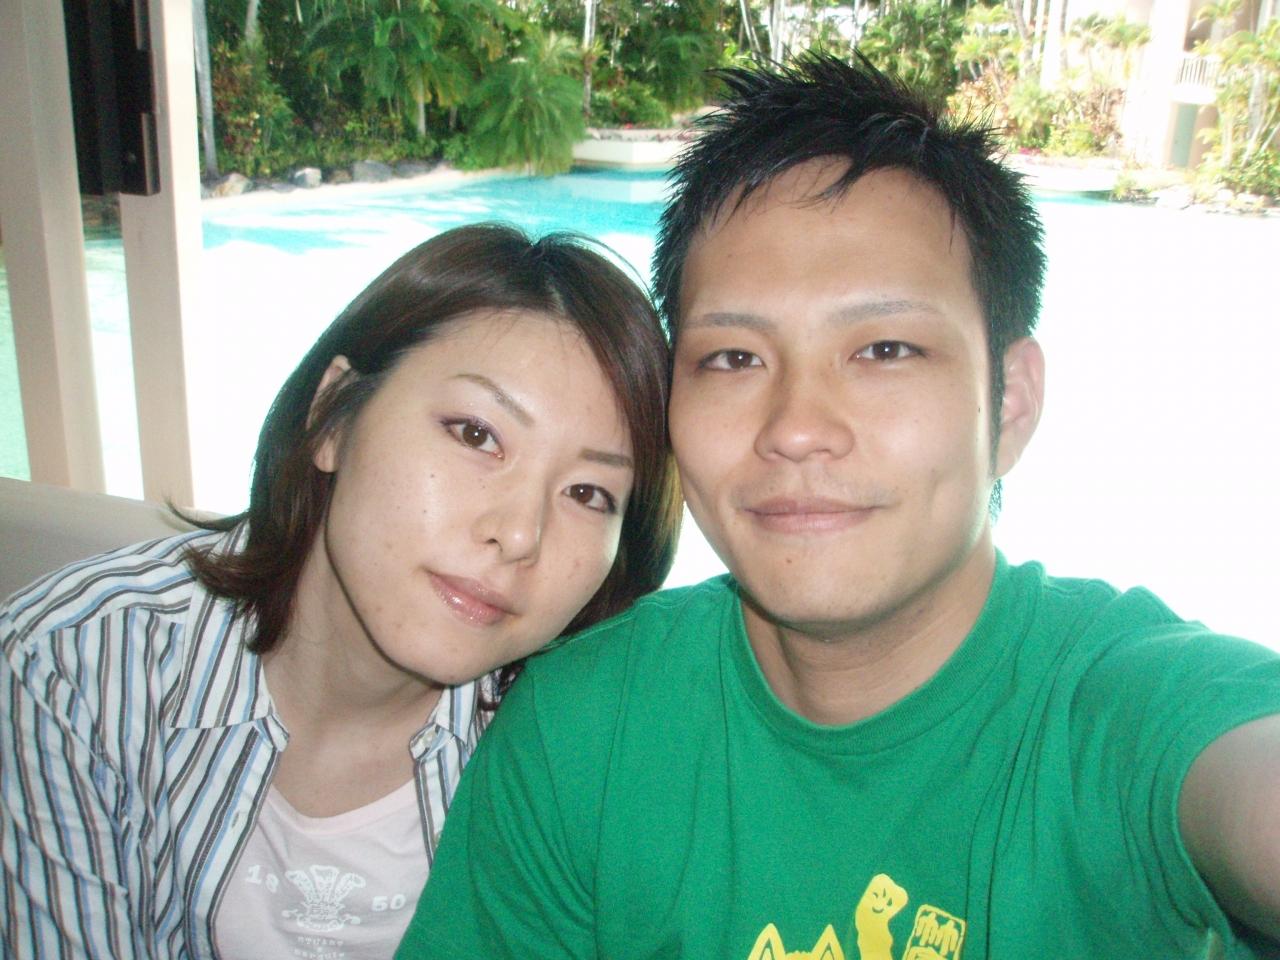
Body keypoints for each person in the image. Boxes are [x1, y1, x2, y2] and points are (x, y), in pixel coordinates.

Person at [396, 57, 1280, 959]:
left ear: (1010, 404)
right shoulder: (586, 734)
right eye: (733, 358)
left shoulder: (1125, 713)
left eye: (885, 349)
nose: (797, 429)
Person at [0, 223, 682, 959]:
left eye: (587, 493)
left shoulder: (582, 747)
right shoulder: (72, 668)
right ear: (333, 416)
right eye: (475, 434)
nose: (520, 534)